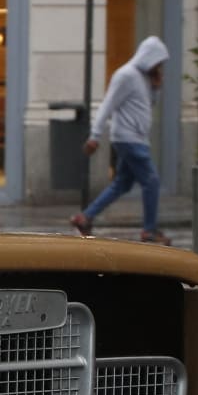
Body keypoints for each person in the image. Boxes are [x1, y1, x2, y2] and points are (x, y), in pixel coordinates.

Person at [72, 36, 168, 242]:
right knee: (151, 182)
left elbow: (147, 105)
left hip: (136, 138)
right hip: (128, 138)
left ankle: (85, 217)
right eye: (158, 62)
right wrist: (95, 135)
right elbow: (107, 104)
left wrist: (156, 88)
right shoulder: (126, 75)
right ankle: (149, 230)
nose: (159, 67)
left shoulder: (144, 78)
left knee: (122, 184)